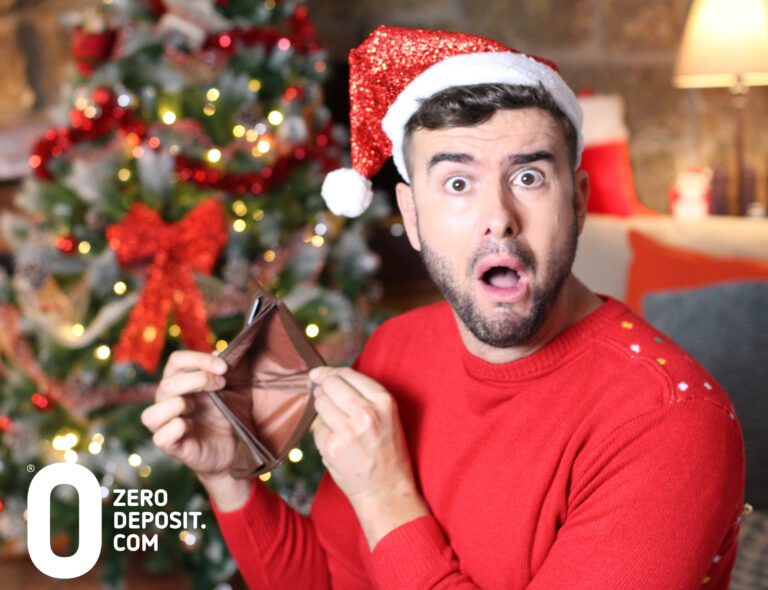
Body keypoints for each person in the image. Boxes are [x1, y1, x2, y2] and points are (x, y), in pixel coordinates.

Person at [141, 26, 746, 589]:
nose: (498, 219)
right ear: (411, 216)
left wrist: (386, 498)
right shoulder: (397, 347)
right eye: (457, 183)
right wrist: (227, 477)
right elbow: (331, 577)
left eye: (529, 177)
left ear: (580, 202)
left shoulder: (671, 422)